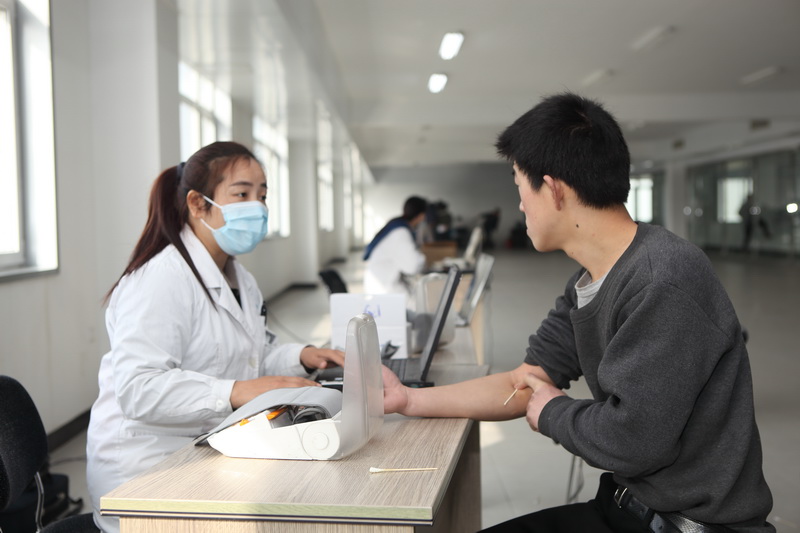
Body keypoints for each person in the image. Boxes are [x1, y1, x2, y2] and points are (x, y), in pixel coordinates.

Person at [382, 93, 774, 532]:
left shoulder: (664, 278)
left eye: (519, 187)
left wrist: (554, 412)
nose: (520, 205)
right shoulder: (588, 280)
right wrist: (408, 399)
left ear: (553, 190)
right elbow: (524, 382)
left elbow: (632, 441)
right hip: (626, 507)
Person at [86, 141, 344, 533]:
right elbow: (139, 389)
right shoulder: (161, 279)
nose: (257, 207)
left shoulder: (239, 277)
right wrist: (234, 392)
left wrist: (303, 356)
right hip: (146, 468)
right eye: (241, 194)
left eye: (262, 195)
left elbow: (250, 355)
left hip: (208, 444)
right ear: (198, 204)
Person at [363, 196, 427, 294]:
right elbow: (412, 266)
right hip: (383, 288)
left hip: (382, 282)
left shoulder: (397, 225)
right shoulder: (401, 232)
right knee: (420, 297)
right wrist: (423, 258)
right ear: (421, 216)